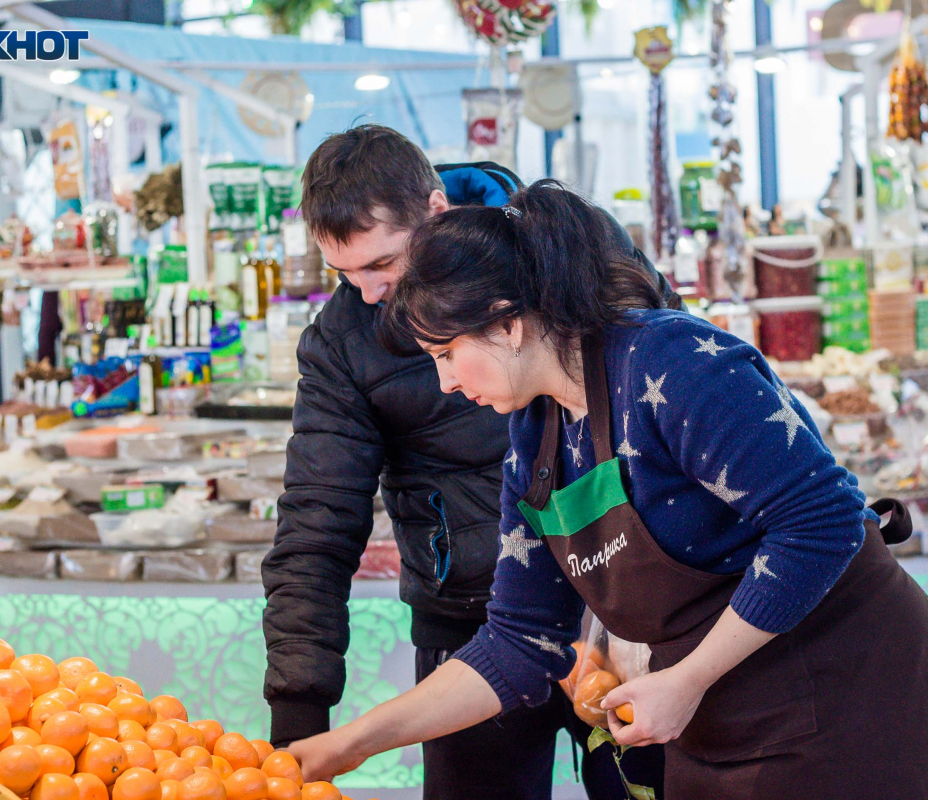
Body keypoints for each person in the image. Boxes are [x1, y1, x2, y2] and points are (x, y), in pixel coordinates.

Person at [285, 180, 928, 800]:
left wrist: (689, 677)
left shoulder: (673, 363)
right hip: (718, 711)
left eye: (446, 354)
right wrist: (351, 744)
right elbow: (520, 642)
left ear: (507, 321)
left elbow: (820, 523)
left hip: (848, 683)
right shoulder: (533, 438)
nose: (445, 384)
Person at [262, 126, 676, 799]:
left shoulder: (565, 246)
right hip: (474, 629)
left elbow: (665, 402)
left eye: (381, 265)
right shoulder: (342, 340)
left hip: (620, 610)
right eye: (345, 274)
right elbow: (317, 518)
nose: (368, 294)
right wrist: (298, 714)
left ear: (434, 209)